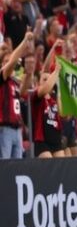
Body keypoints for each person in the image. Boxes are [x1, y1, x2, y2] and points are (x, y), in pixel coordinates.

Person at [0, 30, 34, 159]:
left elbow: (24, 91)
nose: (10, 63)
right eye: (6, 61)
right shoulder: (2, 76)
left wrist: (29, 73)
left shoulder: (14, 82)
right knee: (5, 166)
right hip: (4, 129)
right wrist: (24, 41)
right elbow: (13, 60)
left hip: (17, 129)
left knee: (17, 168)